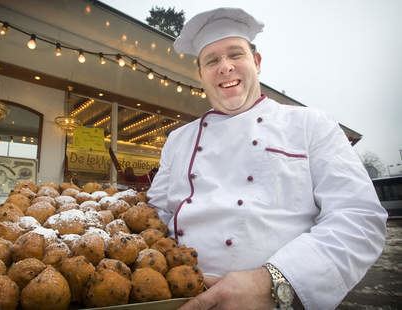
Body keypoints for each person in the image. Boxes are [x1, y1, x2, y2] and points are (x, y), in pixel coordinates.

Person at [146, 7, 387, 310]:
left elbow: (359, 218)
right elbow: (155, 217)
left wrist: (275, 283)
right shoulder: (178, 141)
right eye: (212, 60)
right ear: (200, 74)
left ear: (256, 62)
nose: (225, 67)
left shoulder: (311, 124)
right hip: (185, 299)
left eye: (235, 54)